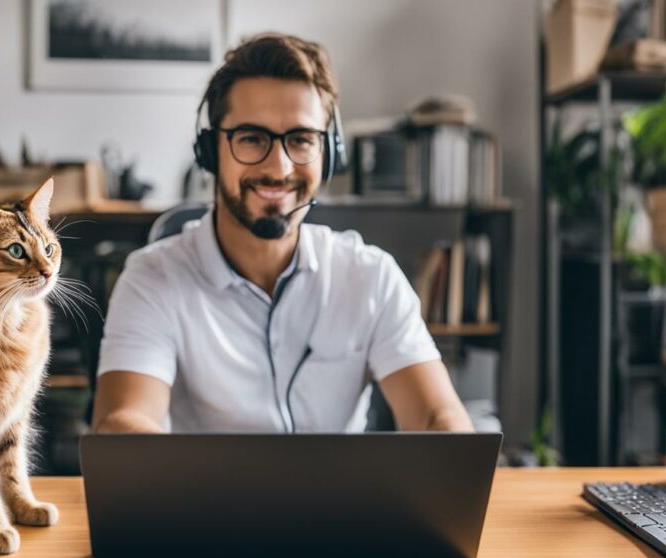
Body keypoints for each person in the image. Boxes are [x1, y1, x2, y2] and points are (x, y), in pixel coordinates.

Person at [92, 33, 474, 434]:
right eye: (252, 138)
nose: (279, 167)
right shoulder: (152, 279)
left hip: (341, 498)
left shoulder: (371, 276)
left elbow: (436, 417)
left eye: (301, 139)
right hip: (204, 498)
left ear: (330, 154)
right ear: (209, 151)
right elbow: (125, 422)